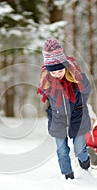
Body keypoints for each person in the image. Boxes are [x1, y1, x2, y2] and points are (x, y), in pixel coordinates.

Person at [37, 38, 91, 180]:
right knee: (62, 151)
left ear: (65, 67)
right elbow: (46, 98)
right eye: (53, 73)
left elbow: (87, 89)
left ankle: (85, 167)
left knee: (80, 150)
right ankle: (68, 177)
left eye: (60, 71)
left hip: (78, 117)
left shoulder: (76, 77)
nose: (57, 74)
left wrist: (80, 105)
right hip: (58, 119)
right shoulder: (48, 82)